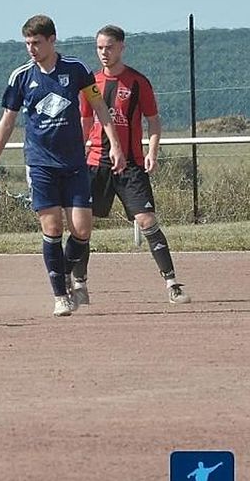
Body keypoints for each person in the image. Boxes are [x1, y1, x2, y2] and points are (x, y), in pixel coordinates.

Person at [0, 14, 126, 317]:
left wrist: (114, 144)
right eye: (27, 43)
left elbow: (99, 106)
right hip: (40, 164)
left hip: (74, 162)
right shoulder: (20, 76)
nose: (31, 49)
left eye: (36, 43)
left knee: (83, 230)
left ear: (52, 40)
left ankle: (64, 273)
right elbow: (7, 122)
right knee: (52, 227)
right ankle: (60, 294)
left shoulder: (76, 70)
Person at [77, 25, 191, 304]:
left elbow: (153, 120)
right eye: (100, 47)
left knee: (147, 220)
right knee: (82, 226)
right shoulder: (90, 82)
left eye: (110, 47)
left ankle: (172, 283)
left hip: (130, 166)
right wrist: (78, 151)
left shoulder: (138, 82)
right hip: (96, 164)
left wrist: (152, 151)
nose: (104, 52)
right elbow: (85, 121)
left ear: (122, 47)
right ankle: (79, 285)